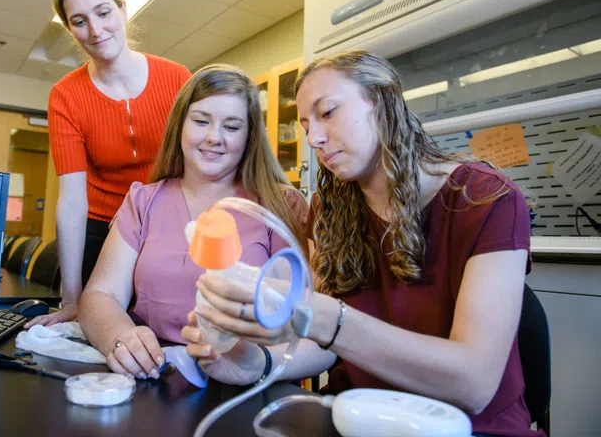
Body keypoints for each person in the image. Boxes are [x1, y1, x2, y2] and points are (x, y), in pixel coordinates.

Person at [183, 51, 541, 437]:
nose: (314, 138)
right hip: (354, 420)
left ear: (382, 101)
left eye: (328, 112)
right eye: (306, 125)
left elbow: (474, 383)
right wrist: (256, 363)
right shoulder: (330, 207)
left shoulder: (486, 200)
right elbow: (326, 347)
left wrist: (325, 317)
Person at [77, 65, 308, 380]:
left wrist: (253, 360)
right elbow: (101, 294)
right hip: (155, 373)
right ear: (180, 126)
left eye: (232, 126)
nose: (214, 138)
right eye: (201, 121)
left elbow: (303, 316)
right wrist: (120, 337)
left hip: (246, 380)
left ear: (250, 135)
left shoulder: (279, 205)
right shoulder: (143, 202)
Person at [26, 0, 191, 328]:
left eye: (103, 13)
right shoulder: (66, 96)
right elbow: (71, 198)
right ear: (69, 29)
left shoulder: (177, 78)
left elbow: (196, 167)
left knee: (161, 333)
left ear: (123, 9)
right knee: (98, 331)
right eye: (79, 21)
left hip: (167, 226)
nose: (96, 31)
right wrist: (71, 298)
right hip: (102, 230)